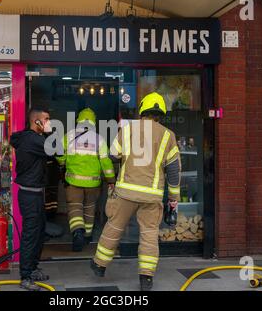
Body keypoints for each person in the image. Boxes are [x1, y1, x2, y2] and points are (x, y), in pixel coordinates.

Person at [90, 92, 182, 291]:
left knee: (114, 226)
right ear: (160, 113)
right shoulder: (168, 136)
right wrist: (173, 198)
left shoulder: (128, 129)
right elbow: (174, 171)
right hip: (152, 195)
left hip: (126, 193)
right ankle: (146, 278)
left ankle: (99, 265)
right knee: (149, 234)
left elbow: (113, 154)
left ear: (142, 110)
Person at [56, 108, 116, 251]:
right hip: (93, 183)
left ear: (79, 120)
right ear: (93, 122)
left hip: (73, 181)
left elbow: (59, 154)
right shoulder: (99, 139)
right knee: (90, 208)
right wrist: (111, 179)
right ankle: (88, 236)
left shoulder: (68, 136)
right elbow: (106, 162)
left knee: (75, 207)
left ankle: (77, 232)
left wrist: (63, 163)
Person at [10, 108, 52, 291]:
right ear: (37, 122)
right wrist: (51, 132)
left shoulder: (31, 139)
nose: (49, 122)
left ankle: (33, 268)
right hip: (30, 195)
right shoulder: (33, 140)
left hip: (34, 194)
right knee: (30, 235)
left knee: (39, 232)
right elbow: (54, 151)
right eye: (47, 119)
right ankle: (26, 276)